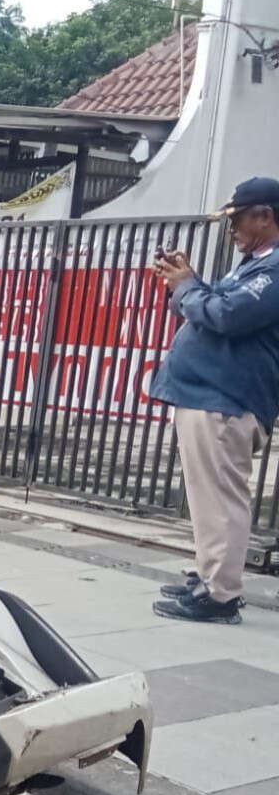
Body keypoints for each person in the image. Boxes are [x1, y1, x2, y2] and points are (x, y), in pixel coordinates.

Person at [148, 176, 279, 624]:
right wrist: (184, 284)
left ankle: (220, 595)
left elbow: (225, 315)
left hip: (225, 400)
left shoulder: (274, 270)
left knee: (221, 498)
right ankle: (209, 575)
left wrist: (188, 287)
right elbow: (207, 305)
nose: (232, 231)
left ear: (265, 216)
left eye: (237, 220)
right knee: (208, 496)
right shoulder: (254, 265)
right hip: (209, 395)